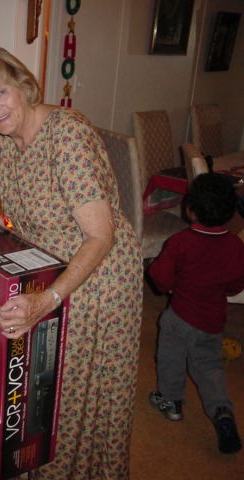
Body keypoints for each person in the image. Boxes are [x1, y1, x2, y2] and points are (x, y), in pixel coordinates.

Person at [0, 46, 143, 479]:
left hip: (97, 275)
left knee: (67, 394)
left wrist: (48, 300)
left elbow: (101, 236)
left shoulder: (65, 134)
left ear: (23, 86)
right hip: (49, 271)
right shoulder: (3, 141)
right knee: (44, 389)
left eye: (0, 92)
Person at [148, 173, 244, 454]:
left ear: (190, 209)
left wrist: (157, 272)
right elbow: (236, 285)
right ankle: (222, 411)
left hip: (179, 317)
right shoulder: (235, 247)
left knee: (170, 359)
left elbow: (160, 279)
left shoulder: (180, 242)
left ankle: (171, 402)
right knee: (210, 366)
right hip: (212, 321)